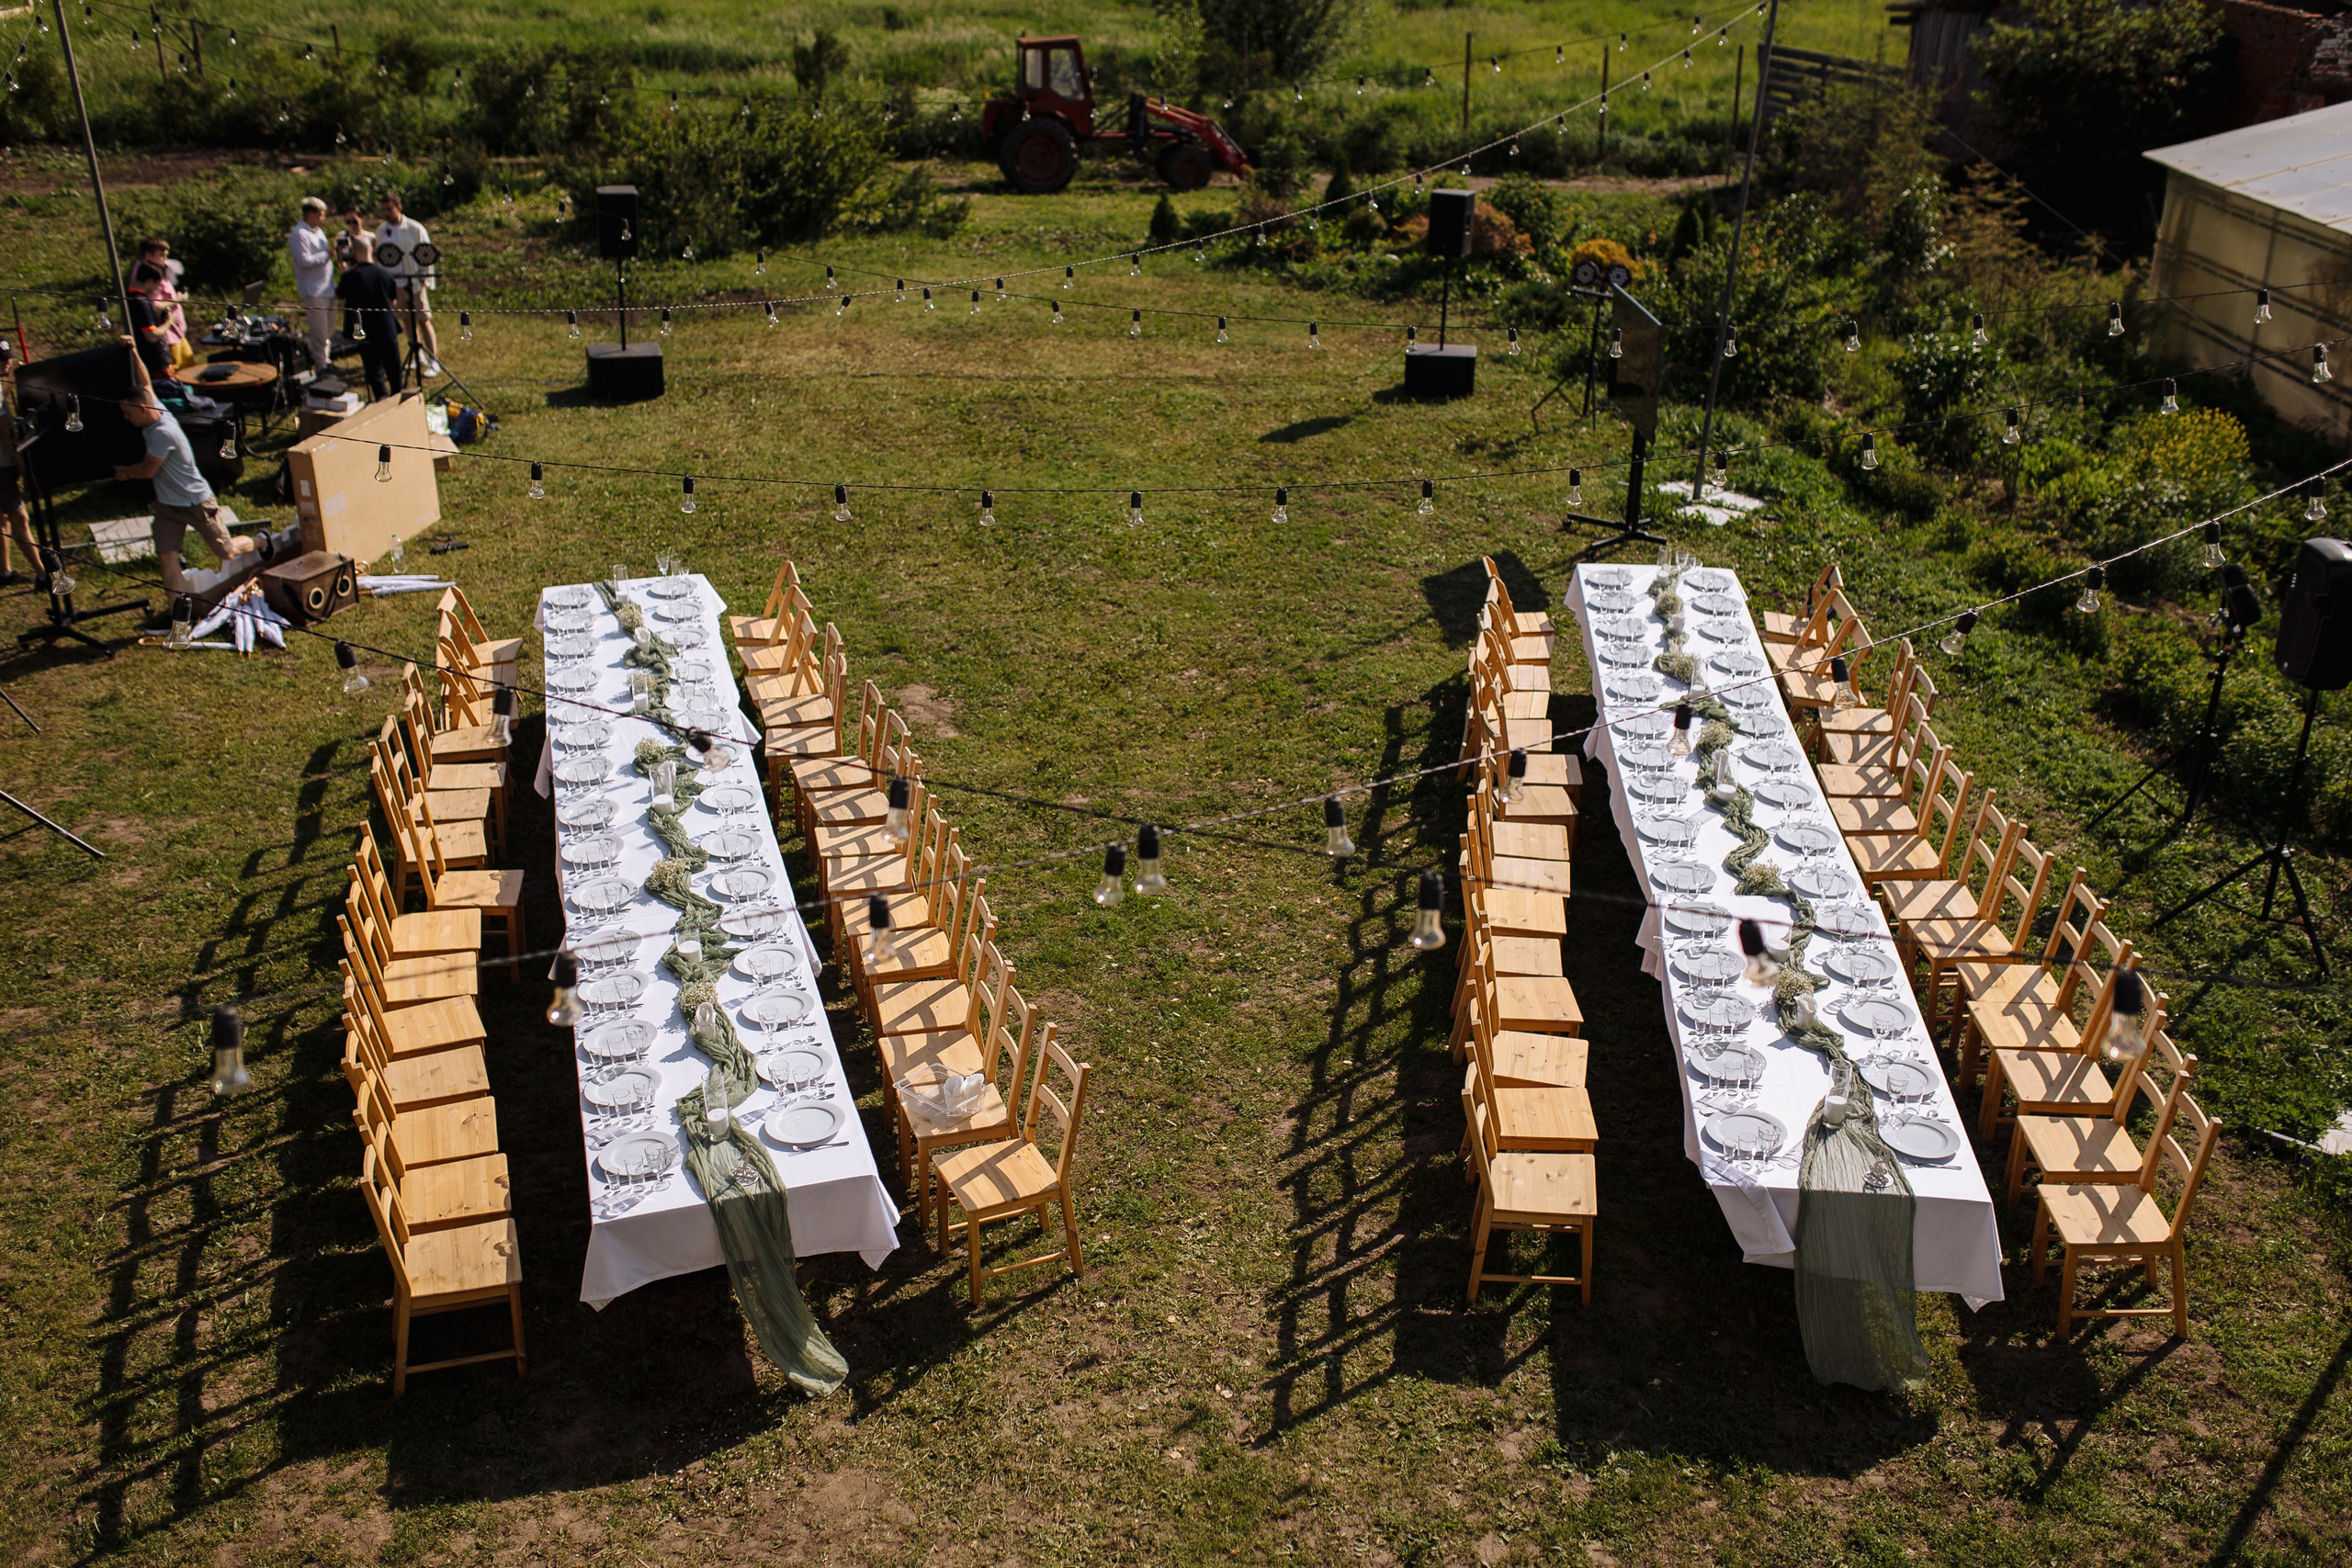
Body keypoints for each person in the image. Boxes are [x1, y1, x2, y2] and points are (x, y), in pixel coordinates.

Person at [113, 340, 255, 599]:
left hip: (195, 502)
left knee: (227, 552)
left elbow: (146, 471)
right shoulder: (157, 409)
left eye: (128, 413)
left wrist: (123, 472)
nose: (126, 419)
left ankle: (261, 542)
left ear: (142, 409)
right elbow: (145, 384)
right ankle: (179, 620)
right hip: (168, 506)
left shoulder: (162, 433)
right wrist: (134, 349)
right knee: (167, 560)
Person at [374, 192, 440, 378]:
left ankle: (434, 359)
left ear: (399, 208)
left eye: (390, 209)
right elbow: (380, 256)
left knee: (423, 319)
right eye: (384, 210)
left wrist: (423, 278)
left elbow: (426, 253)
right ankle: (416, 353)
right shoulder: (381, 230)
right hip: (395, 283)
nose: (386, 213)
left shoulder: (414, 228)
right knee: (406, 320)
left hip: (414, 281)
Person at [335, 233, 404, 399]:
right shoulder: (385, 274)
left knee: (374, 370)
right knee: (393, 367)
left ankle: (381, 399)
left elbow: (340, 294)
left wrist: (345, 270)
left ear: (354, 253)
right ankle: (399, 396)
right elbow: (393, 301)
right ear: (372, 250)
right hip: (386, 327)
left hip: (364, 329)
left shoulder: (350, 276)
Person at [289, 197, 338, 371]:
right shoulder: (299, 234)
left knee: (328, 330)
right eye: (321, 215)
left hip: (328, 287)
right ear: (311, 213)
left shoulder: (318, 231)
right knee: (319, 332)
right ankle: (321, 365)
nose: (323, 218)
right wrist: (327, 255)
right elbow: (305, 261)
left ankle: (327, 361)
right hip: (314, 290)